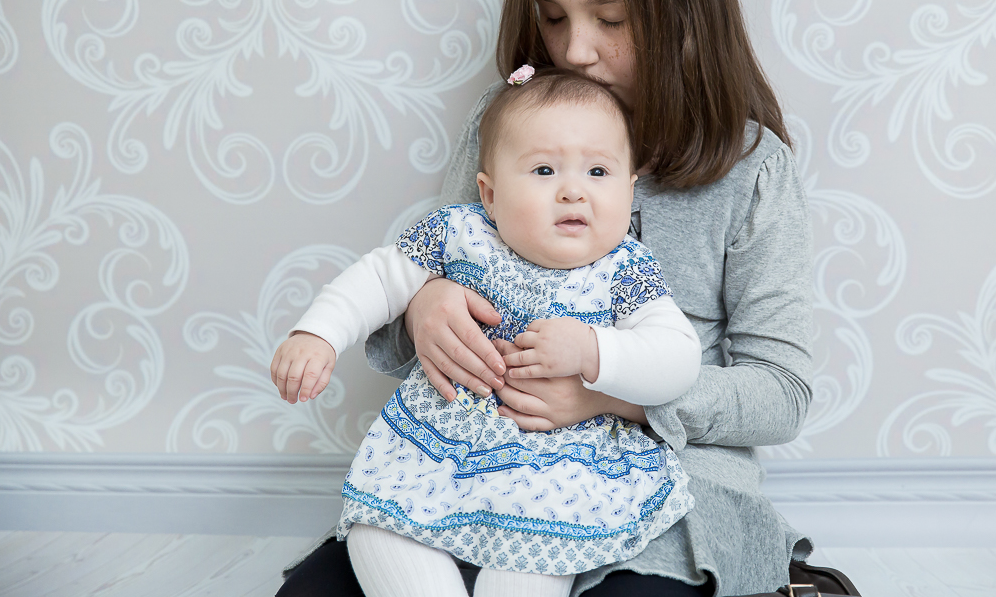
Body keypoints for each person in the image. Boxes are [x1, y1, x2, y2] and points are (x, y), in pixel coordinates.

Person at [277, 0, 813, 597]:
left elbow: (781, 392)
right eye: (554, 17)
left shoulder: (754, 171)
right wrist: (427, 304)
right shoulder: (508, 123)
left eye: (612, 18)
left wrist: (614, 393)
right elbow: (416, 288)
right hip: (480, 467)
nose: (575, 50)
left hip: (671, 489)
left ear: (685, 9)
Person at [271, 67, 702, 597]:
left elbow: (678, 357)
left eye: (598, 172)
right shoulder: (462, 233)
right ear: (490, 194)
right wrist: (318, 334)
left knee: (533, 564)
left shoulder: (625, 271)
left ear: (630, 189)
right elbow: (380, 276)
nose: (573, 192)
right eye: (544, 170)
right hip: (437, 449)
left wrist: (595, 351)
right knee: (377, 531)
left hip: (555, 465)